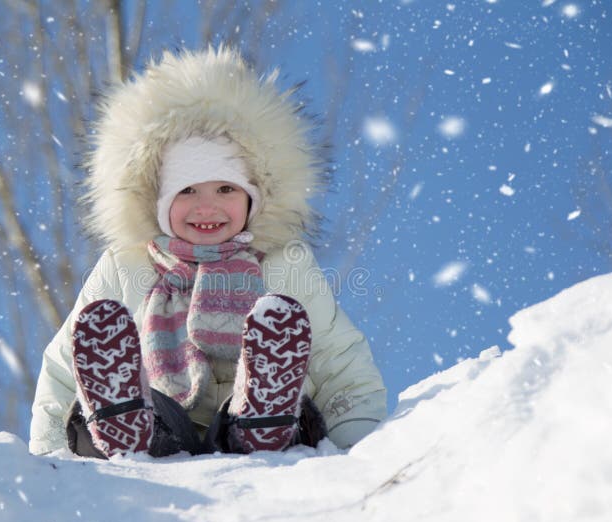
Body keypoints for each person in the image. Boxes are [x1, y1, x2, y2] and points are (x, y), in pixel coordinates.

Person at [29, 46, 386, 458]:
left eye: (225, 188)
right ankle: (124, 417)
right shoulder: (126, 268)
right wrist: (50, 462)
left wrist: (360, 449)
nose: (206, 206)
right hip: (157, 425)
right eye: (187, 191)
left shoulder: (285, 267)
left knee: (280, 403)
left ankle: (261, 417)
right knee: (142, 407)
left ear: (255, 197)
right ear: (158, 203)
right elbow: (63, 367)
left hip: (265, 433)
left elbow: (340, 363)